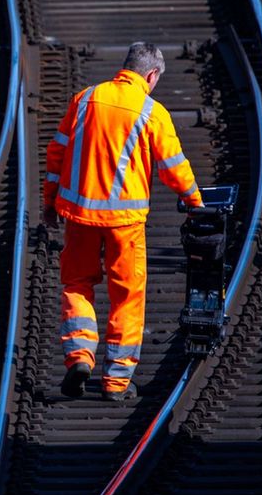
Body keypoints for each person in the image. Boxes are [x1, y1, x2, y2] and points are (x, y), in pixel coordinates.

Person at [43, 42, 203, 400]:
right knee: (127, 296)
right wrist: (195, 202)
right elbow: (173, 168)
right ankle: (116, 382)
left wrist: (48, 203)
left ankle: (79, 358)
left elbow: (56, 152)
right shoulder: (151, 111)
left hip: (79, 215)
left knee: (76, 284)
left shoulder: (85, 99)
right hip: (125, 224)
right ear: (151, 75)